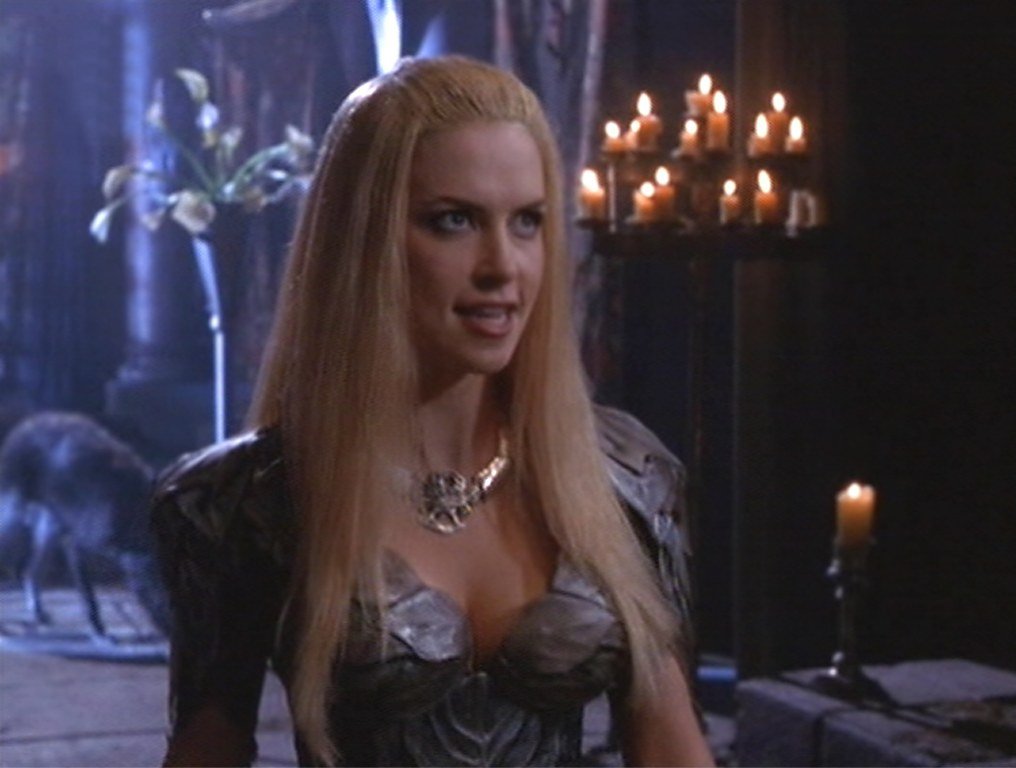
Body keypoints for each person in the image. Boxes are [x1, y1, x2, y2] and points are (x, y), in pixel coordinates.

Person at [151, 55, 714, 767]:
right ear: (364, 241)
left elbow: (671, 749)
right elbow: (206, 752)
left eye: (527, 222)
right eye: (454, 221)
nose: (503, 267)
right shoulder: (244, 502)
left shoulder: (625, 479)